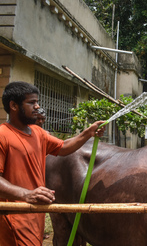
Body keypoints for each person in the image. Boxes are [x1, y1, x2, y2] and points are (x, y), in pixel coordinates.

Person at [0, 81, 106, 246]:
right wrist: (26, 194)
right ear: (13, 106)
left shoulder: (37, 133)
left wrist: (87, 133)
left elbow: (63, 147)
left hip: (36, 215)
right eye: (31, 102)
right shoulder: (2, 135)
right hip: (13, 216)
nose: (37, 106)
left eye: (37, 101)